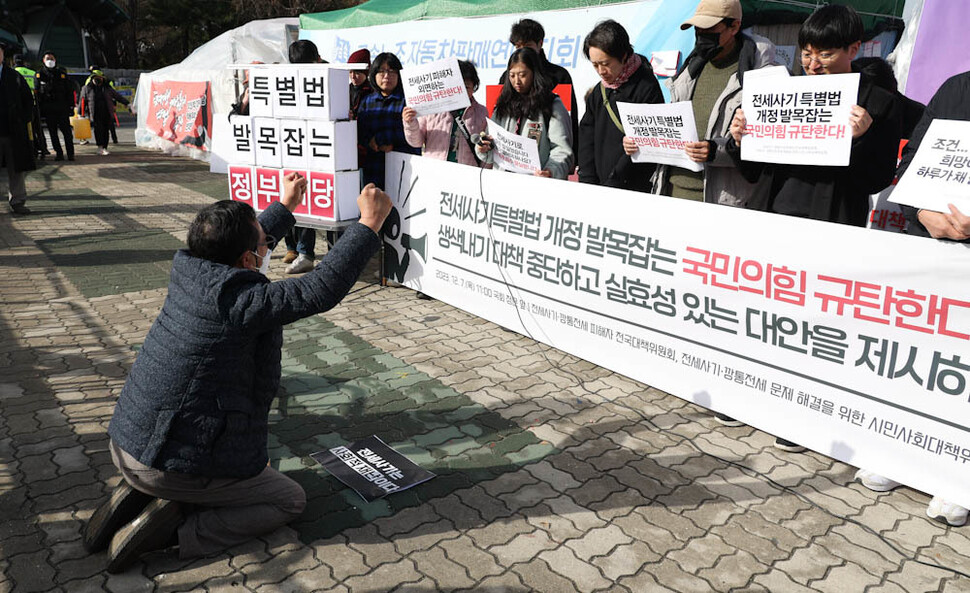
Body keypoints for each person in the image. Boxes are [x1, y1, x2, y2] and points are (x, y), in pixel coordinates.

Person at [83, 174, 393, 572]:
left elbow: (247, 244)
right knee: (287, 499)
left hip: (128, 441)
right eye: (263, 242)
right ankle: (178, 528)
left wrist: (286, 205)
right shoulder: (243, 301)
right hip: (167, 459)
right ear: (247, 259)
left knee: (242, 460)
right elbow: (319, 289)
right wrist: (368, 226)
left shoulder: (194, 270)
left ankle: (142, 493)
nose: (268, 244)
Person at [854, 70, 970, 527]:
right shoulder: (958, 89)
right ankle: (906, 451)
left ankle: (958, 474)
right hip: (938, 256)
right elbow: (909, 167)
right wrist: (923, 210)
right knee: (931, 360)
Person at [727, 4, 902, 227]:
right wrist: (741, 140)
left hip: (831, 225)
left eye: (825, 55)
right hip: (769, 216)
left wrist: (860, 140)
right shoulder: (783, 94)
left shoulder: (878, 103)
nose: (813, 65)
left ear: (853, 49)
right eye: (807, 54)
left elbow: (877, 179)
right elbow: (753, 173)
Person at [647, 0, 778, 204]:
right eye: (697, 29)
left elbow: (766, 142)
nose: (701, 35)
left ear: (734, 26)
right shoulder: (689, 71)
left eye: (709, 28)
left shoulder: (760, 75)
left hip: (721, 200)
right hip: (673, 192)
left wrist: (717, 151)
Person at [578, 19, 663, 192]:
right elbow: (587, 137)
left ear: (624, 56)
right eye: (595, 65)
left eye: (606, 64)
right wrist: (587, 181)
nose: (601, 71)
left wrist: (614, 182)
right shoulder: (599, 92)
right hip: (599, 187)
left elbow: (644, 141)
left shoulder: (646, 87)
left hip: (633, 187)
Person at [478, 47, 574, 180]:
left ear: (535, 73)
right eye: (512, 75)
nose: (516, 81)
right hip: (503, 184)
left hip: (536, 186)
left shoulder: (552, 105)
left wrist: (550, 170)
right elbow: (491, 149)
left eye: (522, 75)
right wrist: (483, 148)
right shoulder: (503, 105)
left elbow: (562, 150)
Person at [501, 19, 580, 159]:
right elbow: (499, 117)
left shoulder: (559, 75)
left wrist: (571, 157)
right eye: (518, 46)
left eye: (528, 45)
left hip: (548, 162)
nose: (523, 50)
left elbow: (568, 119)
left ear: (540, 43)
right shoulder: (506, 77)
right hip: (510, 159)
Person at [282, 40, 327, 274]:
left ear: (317, 59)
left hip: (325, 153)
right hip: (298, 149)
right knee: (302, 201)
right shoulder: (289, 80)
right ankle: (302, 252)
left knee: (324, 204)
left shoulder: (329, 77)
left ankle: (323, 255)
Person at [402, 60, 488, 167]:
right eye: (457, 86)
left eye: (466, 87)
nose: (461, 91)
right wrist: (410, 123)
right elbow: (416, 142)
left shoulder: (482, 112)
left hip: (467, 175)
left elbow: (487, 152)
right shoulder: (432, 108)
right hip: (435, 171)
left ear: (474, 87)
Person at [356, 52, 421, 189]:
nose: (387, 76)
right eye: (382, 72)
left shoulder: (408, 101)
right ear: (374, 75)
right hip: (374, 168)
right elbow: (359, 131)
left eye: (392, 72)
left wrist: (383, 140)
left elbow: (414, 133)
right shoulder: (367, 101)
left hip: (403, 168)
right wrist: (370, 142)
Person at [0, 43, 37, 214]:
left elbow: (28, 101)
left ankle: (17, 200)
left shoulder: (14, 76)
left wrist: (23, 120)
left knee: (16, 167)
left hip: (12, 130)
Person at [35, 51, 75, 162]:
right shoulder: (40, 74)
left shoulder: (61, 74)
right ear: (43, 60)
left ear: (55, 60)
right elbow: (37, 92)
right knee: (53, 133)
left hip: (62, 108)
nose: (50, 61)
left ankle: (70, 154)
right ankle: (59, 153)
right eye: (47, 58)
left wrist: (71, 107)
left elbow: (69, 91)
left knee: (67, 132)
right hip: (49, 109)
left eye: (52, 58)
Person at [78, 70, 130, 156]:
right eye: (95, 78)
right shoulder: (87, 88)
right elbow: (82, 101)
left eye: (99, 78)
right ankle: (100, 147)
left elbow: (117, 96)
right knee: (98, 131)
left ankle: (104, 147)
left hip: (107, 112)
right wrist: (80, 113)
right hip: (94, 113)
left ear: (103, 79)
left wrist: (127, 103)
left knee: (106, 131)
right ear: (92, 79)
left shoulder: (107, 88)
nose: (97, 80)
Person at [13, 54, 49, 160]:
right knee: (37, 128)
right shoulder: (33, 73)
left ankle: (30, 149)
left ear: (14, 62)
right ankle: (43, 148)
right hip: (34, 104)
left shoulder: (12, 73)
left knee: (24, 129)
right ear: (24, 62)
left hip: (19, 105)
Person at [348, 48, 373, 120]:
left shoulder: (372, 92)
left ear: (365, 73)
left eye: (357, 73)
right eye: (350, 72)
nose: (353, 76)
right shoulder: (345, 90)